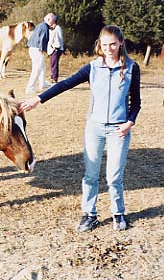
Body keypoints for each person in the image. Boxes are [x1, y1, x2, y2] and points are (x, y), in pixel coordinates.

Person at [18, 25, 141, 232]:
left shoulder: (131, 67)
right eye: (105, 44)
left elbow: (136, 101)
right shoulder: (92, 68)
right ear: (99, 45)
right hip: (95, 128)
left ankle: (118, 213)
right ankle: (89, 214)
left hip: (119, 130)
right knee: (91, 175)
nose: (109, 48)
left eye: (113, 44)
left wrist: (130, 122)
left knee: (114, 177)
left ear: (121, 43)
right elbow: (64, 84)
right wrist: (38, 99)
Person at [25, 13, 57, 94]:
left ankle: (42, 83)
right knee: (37, 69)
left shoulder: (41, 25)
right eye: (54, 20)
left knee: (42, 67)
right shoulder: (44, 27)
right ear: (49, 20)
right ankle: (30, 87)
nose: (55, 21)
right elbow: (42, 39)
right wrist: (42, 49)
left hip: (33, 48)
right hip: (37, 49)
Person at [47, 17, 64, 83]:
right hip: (53, 49)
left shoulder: (57, 28)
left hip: (56, 48)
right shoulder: (53, 29)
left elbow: (58, 38)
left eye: (50, 20)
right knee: (52, 63)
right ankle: (52, 77)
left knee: (54, 64)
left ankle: (54, 78)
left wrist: (55, 47)